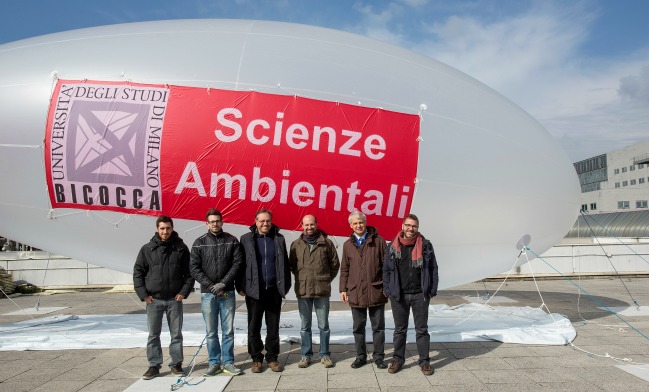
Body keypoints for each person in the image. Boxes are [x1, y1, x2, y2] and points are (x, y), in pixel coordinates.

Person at [133, 215, 195, 380]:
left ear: (172, 228)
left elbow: (189, 273)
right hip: (154, 300)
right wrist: (144, 295)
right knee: (153, 334)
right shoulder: (147, 249)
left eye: (168, 228)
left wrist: (183, 292)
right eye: (162, 228)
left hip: (174, 300)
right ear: (157, 229)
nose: (165, 231)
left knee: (176, 334)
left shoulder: (181, 248)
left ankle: (176, 364)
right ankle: (154, 366)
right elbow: (138, 273)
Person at [190, 208, 244, 376]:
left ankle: (228, 362)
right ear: (207, 224)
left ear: (222, 222)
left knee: (228, 330)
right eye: (212, 221)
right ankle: (214, 363)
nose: (215, 224)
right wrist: (210, 285)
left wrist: (223, 283)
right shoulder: (199, 243)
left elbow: (237, 264)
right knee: (211, 331)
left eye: (217, 221)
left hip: (227, 292)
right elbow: (194, 268)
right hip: (208, 294)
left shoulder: (232, 241)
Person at [383, 214, 438, 376]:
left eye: (413, 226)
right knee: (399, 330)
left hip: (420, 294)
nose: (410, 228)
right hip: (398, 295)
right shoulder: (392, 246)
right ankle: (398, 359)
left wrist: (432, 289)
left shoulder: (426, 245)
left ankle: (424, 361)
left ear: (417, 227)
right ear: (402, 226)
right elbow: (386, 269)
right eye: (408, 225)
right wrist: (388, 290)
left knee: (421, 329)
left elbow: (433, 269)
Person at [238, 209, 291, 373]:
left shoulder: (279, 238)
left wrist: (285, 286)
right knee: (253, 326)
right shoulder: (246, 239)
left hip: (274, 290)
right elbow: (240, 264)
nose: (265, 224)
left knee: (273, 326)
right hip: (254, 291)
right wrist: (240, 286)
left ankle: (272, 358)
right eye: (262, 221)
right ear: (255, 221)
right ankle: (256, 358)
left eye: (268, 221)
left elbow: (285, 264)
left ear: (271, 221)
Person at [289, 214, 340, 368]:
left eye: (312, 224)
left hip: (321, 290)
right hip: (303, 290)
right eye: (306, 225)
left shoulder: (327, 244)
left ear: (316, 224)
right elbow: (292, 265)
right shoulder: (295, 244)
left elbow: (335, 265)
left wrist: (324, 279)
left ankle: (325, 355)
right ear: (302, 226)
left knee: (323, 325)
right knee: (305, 326)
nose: (309, 227)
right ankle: (306, 355)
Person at [339, 211, 388, 369]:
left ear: (365, 223)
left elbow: (387, 267)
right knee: (358, 327)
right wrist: (343, 289)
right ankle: (360, 356)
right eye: (355, 223)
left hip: (376, 290)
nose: (358, 225)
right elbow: (345, 269)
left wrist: (387, 287)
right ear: (350, 226)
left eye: (361, 222)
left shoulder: (379, 241)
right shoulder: (347, 245)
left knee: (378, 327)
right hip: (356, 291)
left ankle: (379, 356)